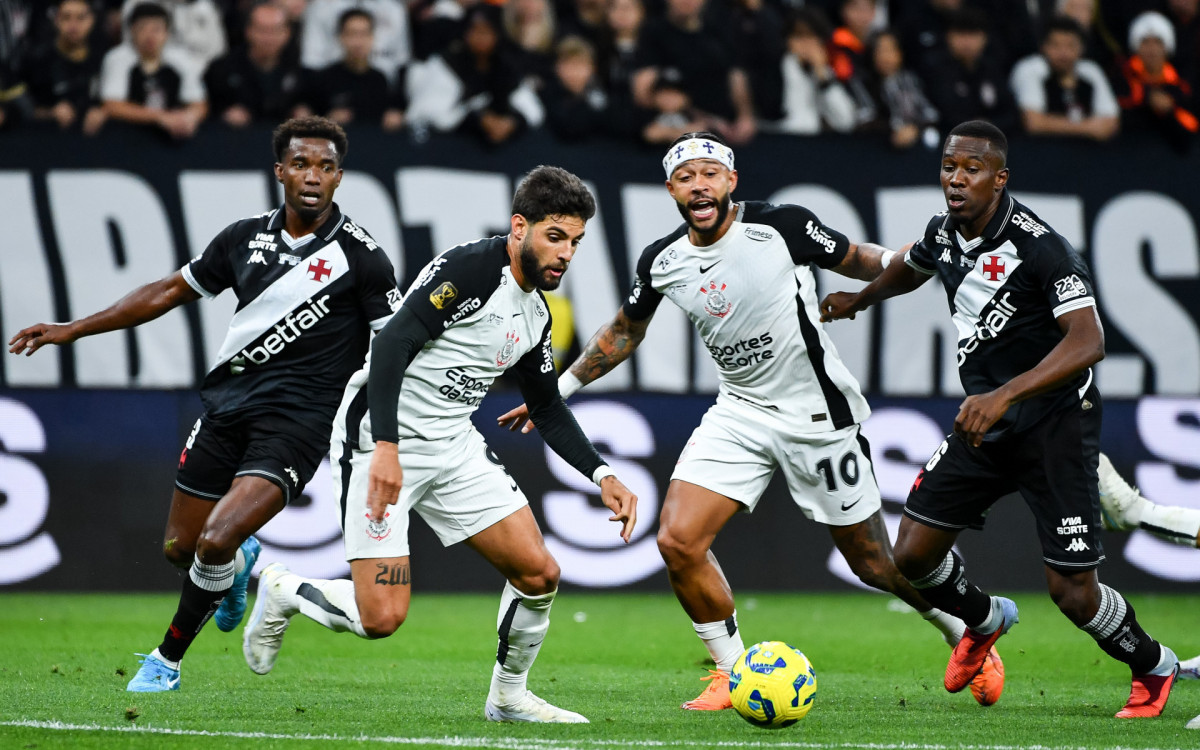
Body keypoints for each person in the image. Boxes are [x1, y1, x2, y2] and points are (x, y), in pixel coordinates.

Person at [498, 131, 1004, 712]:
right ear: (672, 191)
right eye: (686, 178)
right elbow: (624, 332)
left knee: (873, 563)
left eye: (710, 173)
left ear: (731, 182)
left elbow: (855, 257)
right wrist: (557, 390)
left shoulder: (778, 226)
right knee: (677, 540)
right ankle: (731, 671)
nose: (699, 185)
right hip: (739, 411)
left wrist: (909, 260)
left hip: (817, 414)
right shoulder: (663, 260)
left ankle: (963, 630)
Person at [8, 116, 402, 693]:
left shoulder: (363, 258)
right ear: (280, 172)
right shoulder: (242, 237)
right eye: (300, 164)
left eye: (324, 166)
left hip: (297, 426)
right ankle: (240, 565)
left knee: (213, 539)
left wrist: (387, 428)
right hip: (225, 410)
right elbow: (169, 291)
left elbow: (393, 347)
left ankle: (165, 660)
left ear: (339, 177)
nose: (311, 176)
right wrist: (75, 328)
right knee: (181, 549)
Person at [241, 166, 638, 725]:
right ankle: (284, 587)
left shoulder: (535, 316)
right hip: (380, 440)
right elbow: (392, 345)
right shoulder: (471, 269)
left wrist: (604, 476)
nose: (566, 253)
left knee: (538, 573)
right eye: (555, 236)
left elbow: (546, 407)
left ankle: (507, 697)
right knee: (381, 618)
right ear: (519, 227)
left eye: (575, 241)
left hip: (453, 447)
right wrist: (384, 447)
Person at [819, 119, 1182, 719]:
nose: (956, 180)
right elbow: (913, 265)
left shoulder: (1040, 246)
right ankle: (984, 620)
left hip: (1055, 424)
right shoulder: (945, 232)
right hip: (987, 421)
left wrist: (1005, 395)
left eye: (972, 170)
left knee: (1072, 593)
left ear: (999, 178)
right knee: (910, 554)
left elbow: (1088, 341)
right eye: (949, 168)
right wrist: (860, 300)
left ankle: (1153, 665)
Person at [97, 2, 206, 139]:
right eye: (142, 29)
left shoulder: (181, 59)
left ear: (167, 33)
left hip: (171, 137)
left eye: (156, 29)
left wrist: (189, 118)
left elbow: (199, 103)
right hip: (127, 136)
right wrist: (160, 117)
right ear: (131, 31)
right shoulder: (117, 58)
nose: (150, 36)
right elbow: (112, 105)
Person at [1009, 17, 1120, 142]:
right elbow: (1034, 123)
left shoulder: (1091, 70)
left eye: (1070, 45)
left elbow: (1111, 123)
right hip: (1041, 150)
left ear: (1082, 48)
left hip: (1086, 152)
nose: (1063, 53)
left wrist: (1057, 124)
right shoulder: (1030, 68)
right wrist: (1088, 128)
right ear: (1043, 47)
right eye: (1055, 45)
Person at [204, 2, 308, 128]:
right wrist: (224, 115)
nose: (268, 38)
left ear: (287, 33)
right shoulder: (221, 70)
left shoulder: (300, 70)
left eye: (275, 30)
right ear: (248, 31)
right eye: (262, 30)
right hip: (237, 142)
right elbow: (209, 111)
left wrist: (303, 111)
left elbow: (310, 104)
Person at [24, 0, 106, 134]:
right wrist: (50, 113)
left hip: (97, 144)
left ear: (92, 20)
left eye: (81, 18)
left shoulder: (102, 58)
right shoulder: (38, 60)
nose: (73, 25)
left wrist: (104, 112)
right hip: (48, 142)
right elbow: (24, 108)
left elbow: (116, 100)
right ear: (56, 20)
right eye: (66, 18)